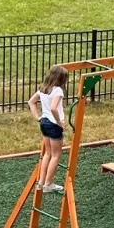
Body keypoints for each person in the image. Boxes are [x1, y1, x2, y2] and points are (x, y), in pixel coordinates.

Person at [28, 65, 69, 193]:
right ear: (61, 79)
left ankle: (41, 182)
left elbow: (31, 102)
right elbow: (53, 108)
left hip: (44, 122)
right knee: (56, 155)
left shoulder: (43, 88)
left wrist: (37, 117)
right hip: (53, 124)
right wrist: (59, 122)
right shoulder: (58, 90)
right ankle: (48, 184)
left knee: (48, 153)